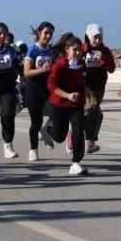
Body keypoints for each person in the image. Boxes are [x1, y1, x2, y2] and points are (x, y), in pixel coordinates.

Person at [39, 32, 89, 175]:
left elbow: (83, 81)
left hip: (76, 105)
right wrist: (67, 95)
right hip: (59, 104)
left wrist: (86, 91)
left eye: (80, 50)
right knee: (60, 136)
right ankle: (47, 130)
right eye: (75, 50)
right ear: (67, 50)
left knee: (78, 131)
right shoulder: (60, 65)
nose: (78, 53)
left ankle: (75, 163)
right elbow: (51, 85)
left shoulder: (82, 65)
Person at [80, 24, 116, 154]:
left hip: (99, 87)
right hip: (85, 86)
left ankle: (88, 139)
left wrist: (104, 62)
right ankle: (85, 139)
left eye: (100, 37)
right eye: (94, 37)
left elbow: (112, 69)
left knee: (96, 114)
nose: (97, 40)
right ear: (89, 36)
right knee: (92, 108)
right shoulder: (82, 49)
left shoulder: (105, 51)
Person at [22, 22, 56, 162]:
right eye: (46, 33)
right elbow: (27, 72)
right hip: (34, 89)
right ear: (39, 33)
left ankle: (46, 130)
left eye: (50, 34)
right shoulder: (33, 50)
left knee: (57, 112)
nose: (48, 36)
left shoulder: (51, 51)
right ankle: (33, 149)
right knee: (36, 122)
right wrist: (42, 70)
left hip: (48, 88)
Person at [0, 23, 21, 160]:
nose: (2, 36)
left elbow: (17, 66)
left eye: (4, 34)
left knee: (7, 115)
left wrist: (21, 77)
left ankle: (8, 144)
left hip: (7, 87)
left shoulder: (11, 50)